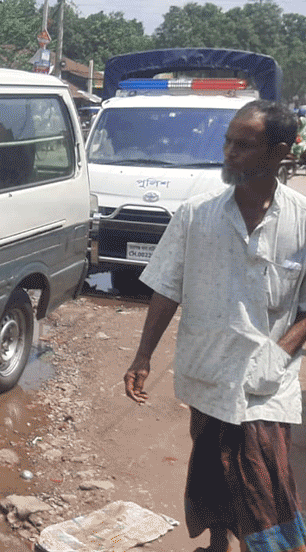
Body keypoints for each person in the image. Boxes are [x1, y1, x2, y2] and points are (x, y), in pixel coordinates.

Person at [124, 99, 306, 552]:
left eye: (243, 146)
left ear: (279, 151)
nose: (228, 152)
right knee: (212, 465)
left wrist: (280, 352)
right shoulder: (196, 214)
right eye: (227, 141)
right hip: (206, 371)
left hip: (268, 384)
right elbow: (167, 287)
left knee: (266, 484)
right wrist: (143, 355)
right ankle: (219, 542)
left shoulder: (303, 221)